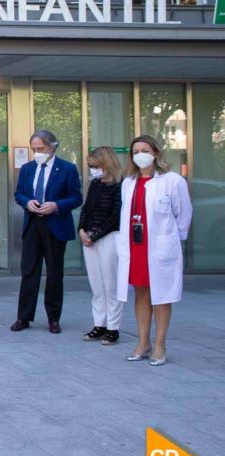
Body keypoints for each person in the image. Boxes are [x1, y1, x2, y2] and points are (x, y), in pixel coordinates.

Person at [116, 135, 192, 366]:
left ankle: (160, 345)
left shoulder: (173, 180)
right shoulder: (128, 182)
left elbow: (184, 214)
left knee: (161, 295)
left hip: (159, 247)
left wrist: (171, 240)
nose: (140, 154)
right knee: (140, 293)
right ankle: (143, 342)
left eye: (145, 150)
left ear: (156, 153)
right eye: (136, 150)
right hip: (135, 247)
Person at [11, 130, 83, 334]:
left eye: (40, 149)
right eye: (33, 149)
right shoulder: (27, 169)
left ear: (52, 147)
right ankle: (23, 317)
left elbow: (76, 197)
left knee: (54, 273)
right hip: (33, 223)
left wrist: (56, 205)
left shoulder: (67, 169)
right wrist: (27, 202)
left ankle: (53, 318)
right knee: (29, 272)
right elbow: (19, 194)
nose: (37, 153)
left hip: (55, 224)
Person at [79, 146, 123, 345]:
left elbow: (116, 216)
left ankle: (113, 328)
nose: (92, 169)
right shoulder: (95, 184)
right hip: (89, 239)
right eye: (90, 166)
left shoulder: (120, 185)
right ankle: (99, 324)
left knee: (110, 284)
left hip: (109, 238)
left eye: (95, 166)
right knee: (96, 285)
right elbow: (86, 209)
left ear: (106, 164)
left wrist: (94, 235)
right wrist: (82, 230)